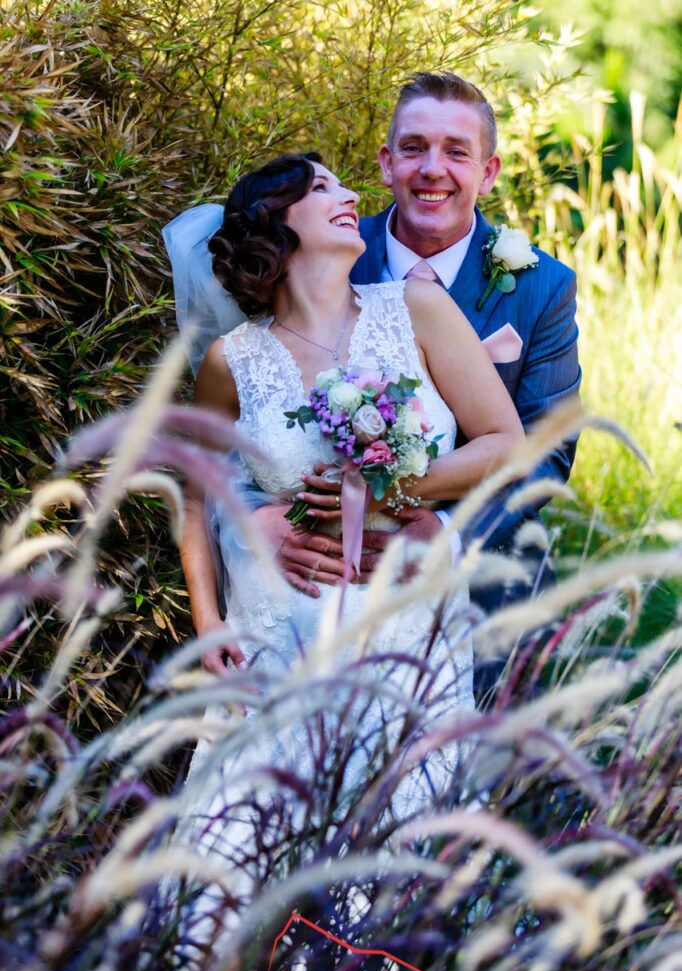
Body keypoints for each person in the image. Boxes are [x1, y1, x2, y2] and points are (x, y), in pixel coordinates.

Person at [174, 152, 523, 950]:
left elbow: (503, 441)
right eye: (322, 189)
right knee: (251, 845)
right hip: (276, 636)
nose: (349, 197)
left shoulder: (418, 312)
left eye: (341, 183)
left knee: (395, 832)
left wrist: (401, 491)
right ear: (275, 221)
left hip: (399, 619)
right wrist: (205, 627)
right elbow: (198, 495)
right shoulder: (236, 361)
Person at [163, 72, 581, 703]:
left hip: (466, 581)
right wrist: (257, 530)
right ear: (388, 162)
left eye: (456, 152)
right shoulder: (327, 262)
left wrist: (433, 525)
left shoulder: (538, 288)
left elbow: (539, 450)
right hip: (292, 619)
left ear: (488, 172)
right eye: (413, 148)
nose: (432, 169)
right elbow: (220, 477)